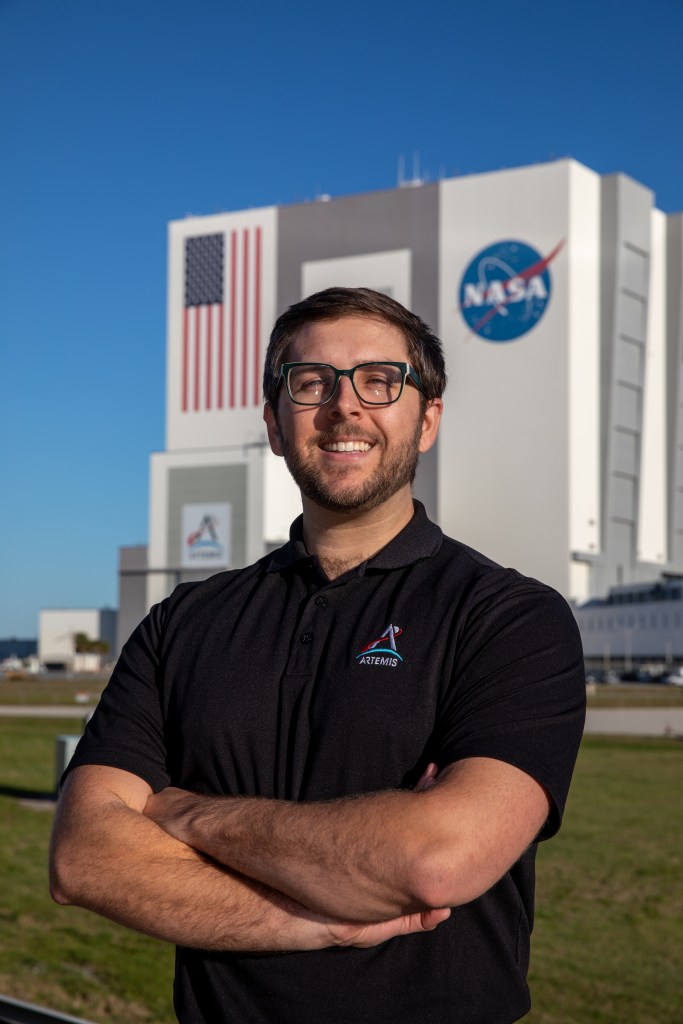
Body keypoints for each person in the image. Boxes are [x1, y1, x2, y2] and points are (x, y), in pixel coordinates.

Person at [50, 287, 586, 1024]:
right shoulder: (185, 623)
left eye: (379, 380)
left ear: (426, 419)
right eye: (311, 383)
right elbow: (84, 857)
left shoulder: (508, 618)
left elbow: (437, 860)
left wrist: (187, 815)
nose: (345, 407)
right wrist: (321, 921)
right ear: (274, 423)